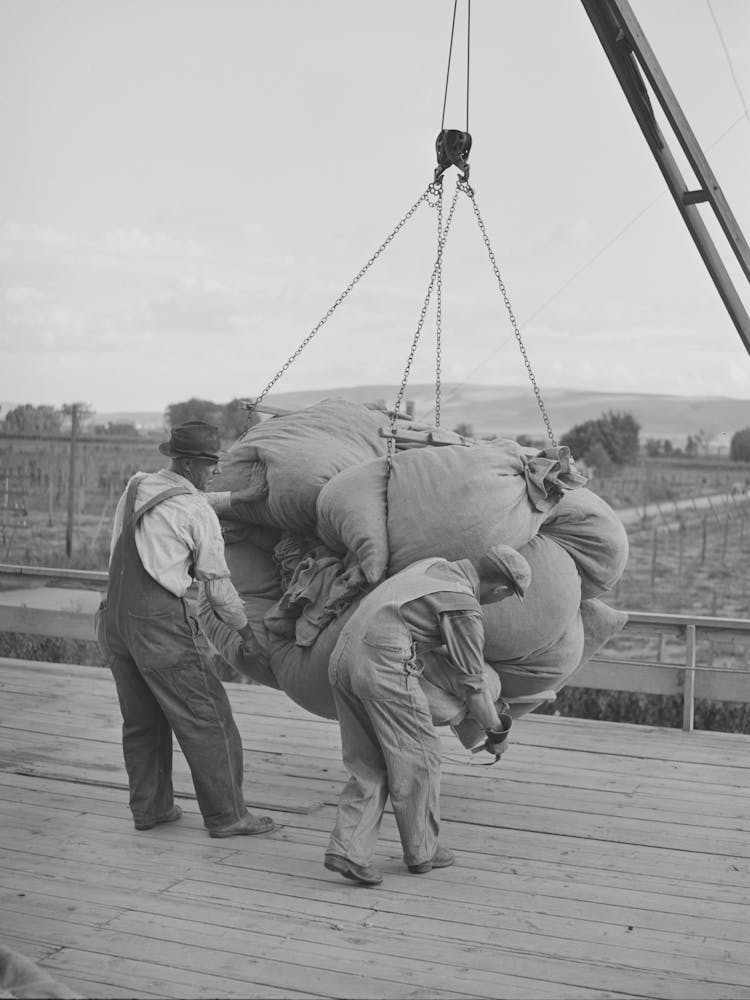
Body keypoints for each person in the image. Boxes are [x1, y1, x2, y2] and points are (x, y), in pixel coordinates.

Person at [97, 420, 276, 838]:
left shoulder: (138, 485)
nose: (215, 470)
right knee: (209, 716)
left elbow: (180, 498)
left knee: (141, 720)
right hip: (159, 625)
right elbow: (218, 589)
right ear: (192, 463)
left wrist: (234, 498)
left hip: (115, 620)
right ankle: (228, 816)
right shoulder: (197, 514)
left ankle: (151, 810)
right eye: (211, 463)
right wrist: (246, 634)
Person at [324, 546, 530, 886]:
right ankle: (422, 852)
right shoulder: (463, 606)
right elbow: (475, 685)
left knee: (368, 763)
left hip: (342, 655)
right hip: (383, 664)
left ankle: (347, 850)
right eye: (506, 597)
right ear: (501, 589)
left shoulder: (432, 565)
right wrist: (496, 732)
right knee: (420, 758)